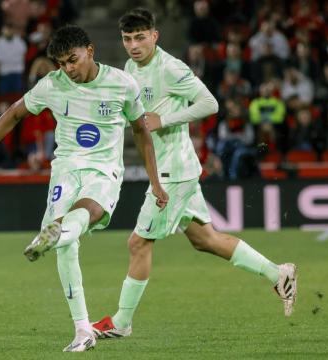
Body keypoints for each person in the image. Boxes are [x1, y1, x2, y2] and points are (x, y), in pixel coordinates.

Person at [91, 8, 297, 340]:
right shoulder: (130, 67)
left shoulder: (171, 68)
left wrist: (165, 120)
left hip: (175, 171)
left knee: (138, 242)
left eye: (140, 37)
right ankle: (279, 273)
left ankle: (121, 323)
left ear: (155, 36)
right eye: (127, 39)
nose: (133, 45)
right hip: (172, 166)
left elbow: (209, 103)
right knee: (206, 240)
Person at [0, 25, 168, 352]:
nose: (68, 69)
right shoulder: (52, 85)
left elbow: (141, 133)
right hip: (65, 169)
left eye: (72, 60)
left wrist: (155, 182)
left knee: (86, 213)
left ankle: (53, 232)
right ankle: (82, 330)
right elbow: (15, 113)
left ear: (90, 50)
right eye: (61, 63)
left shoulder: (121, 84)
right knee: (66, 245)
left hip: (104, 170)